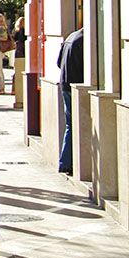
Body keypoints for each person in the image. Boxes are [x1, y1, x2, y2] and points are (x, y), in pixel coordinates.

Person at [57, 27, 84, 173]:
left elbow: (58, 62)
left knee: (70, 125)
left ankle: (66, 161)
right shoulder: (85, 40)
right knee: (73, 125)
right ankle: (66, 162)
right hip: (75, 85)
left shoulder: (71, 36)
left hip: (65, 83)